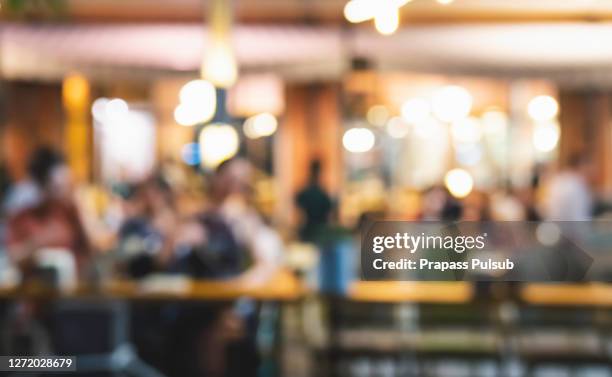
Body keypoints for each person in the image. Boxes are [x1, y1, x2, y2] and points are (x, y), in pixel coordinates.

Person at [6, 147, 90, 276]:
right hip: (32, 291)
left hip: (73, 291)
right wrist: (38, 242)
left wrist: (80, 208)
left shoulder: (72, 213)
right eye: (58, 187)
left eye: (68, 185)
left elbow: (95, 251)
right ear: (40, 184)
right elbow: (11, 258)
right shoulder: (22, 217)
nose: (64, 192)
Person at [543, 154, 594, 221]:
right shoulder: (576, 185)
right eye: (591, 165)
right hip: (570, 229)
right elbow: (579, 218)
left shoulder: (557, 180)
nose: (593, 170)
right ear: (582, 166)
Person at [295, 159, 333, 241]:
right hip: (318, 229)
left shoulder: (310, 191)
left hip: (310, 228)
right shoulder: (321, 193)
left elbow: (298, 200)